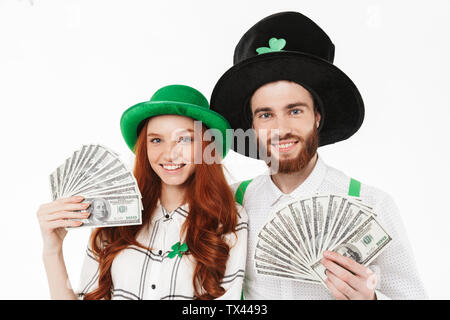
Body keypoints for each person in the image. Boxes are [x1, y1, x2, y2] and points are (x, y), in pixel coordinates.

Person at [210, 11, 427, 299]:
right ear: (252, 126)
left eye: (295, 110)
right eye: (266, 114)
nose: (281, 129)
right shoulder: (231, 203)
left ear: (317, 118)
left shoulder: (372, 205)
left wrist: (372, 299)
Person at [37, 84, 248, 300]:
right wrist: (52, 250)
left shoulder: (230, 220)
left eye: (184, 139)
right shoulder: (114, 216)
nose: (169, 154)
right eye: (156, 140)